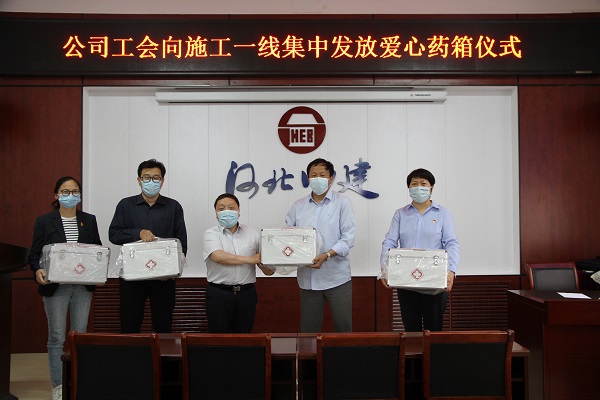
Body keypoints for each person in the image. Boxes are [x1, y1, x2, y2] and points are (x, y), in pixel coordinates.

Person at [28, 176, 102, 400]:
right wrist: (37, 270)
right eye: (65, 191)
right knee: (57, 337)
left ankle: (79, 383)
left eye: (75, 191)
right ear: (56, 195)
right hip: (55, 287)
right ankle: (59, 386)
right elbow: (34, 254)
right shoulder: (44, 221)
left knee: (80, 336)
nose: (71, 195)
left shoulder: (89, 220)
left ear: (80, 195)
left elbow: (97, 250)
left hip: (82, 287)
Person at [109, 158, 187, 333]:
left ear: (162, 181)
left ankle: (162, 353)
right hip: (132, 277)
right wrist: (138, 233)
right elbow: (114, 234)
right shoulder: (125, 205)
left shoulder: (173, 207)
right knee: (130, 324)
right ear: (139, 180)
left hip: (163, 278)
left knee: (163, 325)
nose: (151, 181)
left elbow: (181, 242)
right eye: (146, 177)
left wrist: (174, 270)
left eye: (156, 178)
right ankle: (132, 352)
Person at [380, 168, 459, 332]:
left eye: (423, 184)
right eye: (414, 184)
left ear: (431, 188)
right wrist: (384, 269)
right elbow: (390, 241)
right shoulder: (400, 214)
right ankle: (412, 351)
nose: (419, 187)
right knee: (411, 329)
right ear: (409, 188)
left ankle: (432, 351)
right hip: (406, 280)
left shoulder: (443, 214)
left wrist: (451, 270)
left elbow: (451, 243)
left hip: (435, 280)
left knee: (434, 329)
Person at [285, 158, 356, 333]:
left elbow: (348, 238)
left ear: (331, 178)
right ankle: (309, 354)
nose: (318, 179)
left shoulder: (342, 203)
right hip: (308, 279)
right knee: (308, 331)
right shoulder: (298, 206)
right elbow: (288, 236)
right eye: (313, 175)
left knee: (343, 329)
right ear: (308, 178)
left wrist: (327, 255)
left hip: (337, 278)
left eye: (322, 175)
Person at [203, 193, 274, 333]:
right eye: (221, 209)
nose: (226, 212)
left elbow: (268, 269)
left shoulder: (252, 234)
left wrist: (269, 265)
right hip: (219, 294)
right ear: (216, 214)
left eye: (231, 208)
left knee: (244, 338)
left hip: (246, 294)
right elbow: (218, 256)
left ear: (238, 211)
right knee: (218, 338)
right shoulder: (211, 234)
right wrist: (251, 259)